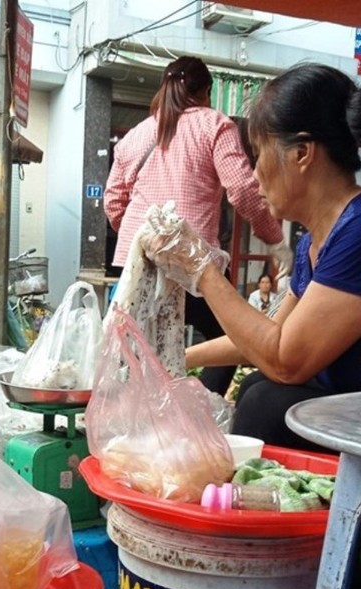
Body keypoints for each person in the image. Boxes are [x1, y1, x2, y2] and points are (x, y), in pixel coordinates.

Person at [139, 63, 361, 449]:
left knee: (267, 402)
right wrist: (173, 358)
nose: (254, 174)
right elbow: (268, 338)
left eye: (258, 154)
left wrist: (202, 270)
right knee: (257, 387)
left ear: (301, 153)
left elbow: (286, 362)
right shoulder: (316, 241)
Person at [104, 55, 290, 396]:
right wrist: (275, 240)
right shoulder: (214, 124)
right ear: (206, 92)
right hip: (191, 262)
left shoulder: (135, 135)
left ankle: (144, 412)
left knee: (133, 349)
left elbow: (114, 202)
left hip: (137, 260)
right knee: (236, 336)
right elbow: (242, 189)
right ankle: (197, 409)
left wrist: (141, 239)